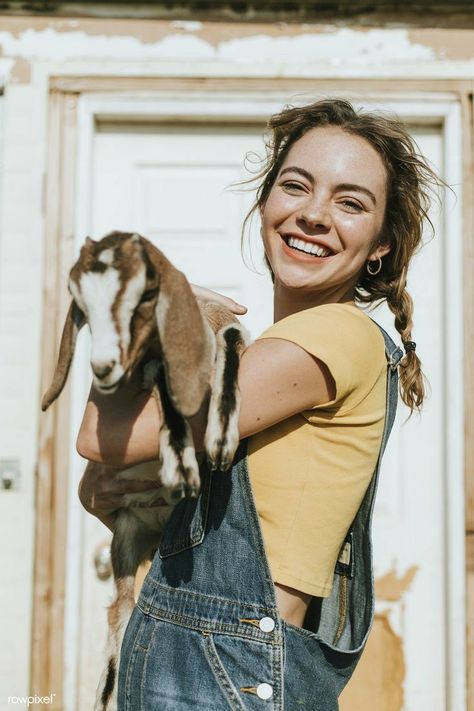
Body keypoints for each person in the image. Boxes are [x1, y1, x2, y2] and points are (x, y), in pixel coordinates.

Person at [77, 98, 440, 709]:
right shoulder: (273, 355)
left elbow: (101, 438)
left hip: (224, 670)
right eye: (296, 186)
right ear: (266, 203)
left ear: (380, 245)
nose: (315, 215)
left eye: (351, 203)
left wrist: (145, 320)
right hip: (203, 660)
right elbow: (105, 487)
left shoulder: (332, 338)